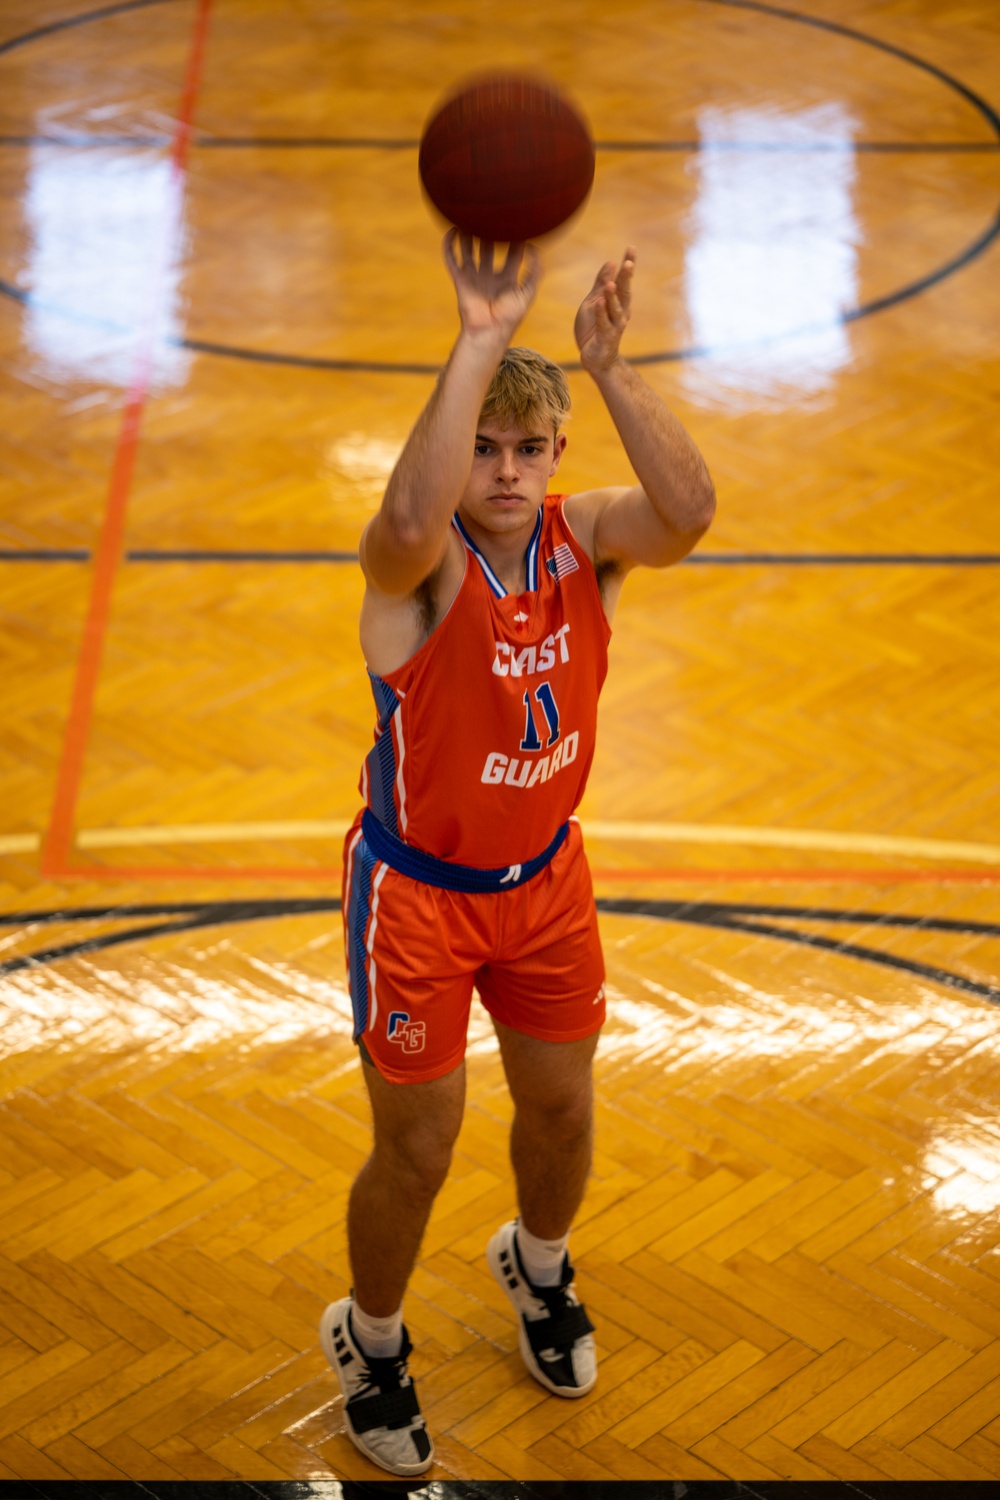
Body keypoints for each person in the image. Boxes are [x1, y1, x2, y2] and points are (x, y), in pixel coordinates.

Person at [319, 232, 716, 1476]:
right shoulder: (419, 574)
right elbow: (397, 512)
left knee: (558, 1112)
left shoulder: (584, 538)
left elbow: (690, 512)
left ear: (553, 457)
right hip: (419, 901)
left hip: (545, 883)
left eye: (525, 448)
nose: (502, 469)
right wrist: (481, 335)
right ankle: (371, 1340)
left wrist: (606, 365)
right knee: (419, 1147)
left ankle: (536, 1268)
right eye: (483, 445)